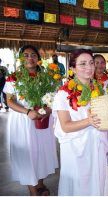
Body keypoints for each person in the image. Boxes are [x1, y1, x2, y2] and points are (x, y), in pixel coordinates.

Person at [3, 45, 58, 195]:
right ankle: (34, 190)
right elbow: (10, 101)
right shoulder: (13, 77)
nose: (30, 58)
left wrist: (48, 109)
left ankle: (40, 185)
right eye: (26, 55)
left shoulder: (47, 77)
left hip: (43, 118)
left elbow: (54, 98)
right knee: (28, 154)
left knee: (42, 152)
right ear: (21, 59)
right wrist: (27, 112)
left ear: (38, 59)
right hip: (23, 121)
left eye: (33, 55)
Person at [52, 49, 108, 195]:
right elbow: (65, 126)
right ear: (72, 68)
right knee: (79, 185)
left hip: (96, 144)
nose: (89, 67)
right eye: (82, 64)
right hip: (75, 147)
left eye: (91, 63)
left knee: (97, 181)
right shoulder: (63, 94)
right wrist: (88, 121)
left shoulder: (99, 89)